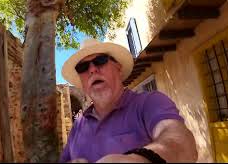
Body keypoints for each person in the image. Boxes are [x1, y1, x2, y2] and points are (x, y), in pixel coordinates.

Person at [59, 39, 198, 163]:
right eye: (83, 67)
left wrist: (140, 159)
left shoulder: (149, 103)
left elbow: (180, 141)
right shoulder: (78, 125)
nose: (92, 70)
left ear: (118, 68)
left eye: (100, 61)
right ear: (82, 82)